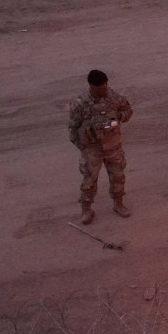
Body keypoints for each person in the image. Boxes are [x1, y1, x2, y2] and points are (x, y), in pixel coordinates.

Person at [68, 69, 134, 225]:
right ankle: (86, 209)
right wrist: (83, 148)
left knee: (118, 176)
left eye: (105, 85)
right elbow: (73, 129)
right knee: (89, 180)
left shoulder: (113, 97)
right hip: (92, 149)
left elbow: (128, 110)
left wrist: (119, 117)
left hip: (113, 145)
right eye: (101, 86)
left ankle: (118, 204)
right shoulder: (80, 103)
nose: (104, 88)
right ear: (92, 86)